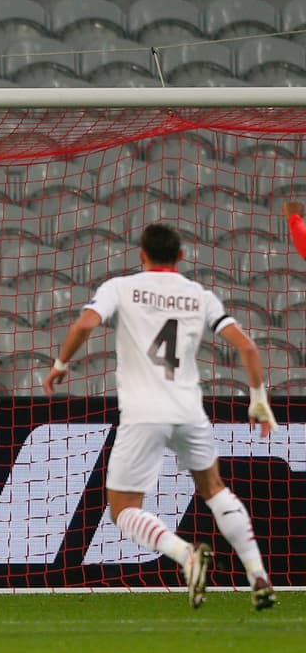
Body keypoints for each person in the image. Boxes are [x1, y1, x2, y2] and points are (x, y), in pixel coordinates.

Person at [42, 224, 278, 611]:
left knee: (123, 508)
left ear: (141, 255)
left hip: (144, 412)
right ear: (181, 257)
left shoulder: (120, 287)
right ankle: (258, 576)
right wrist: (257, 399)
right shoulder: (199, 295)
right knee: (214, 489)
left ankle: (184, 553)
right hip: (188, 409)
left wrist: (61, 364)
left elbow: (85, 324)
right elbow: (248, 347)